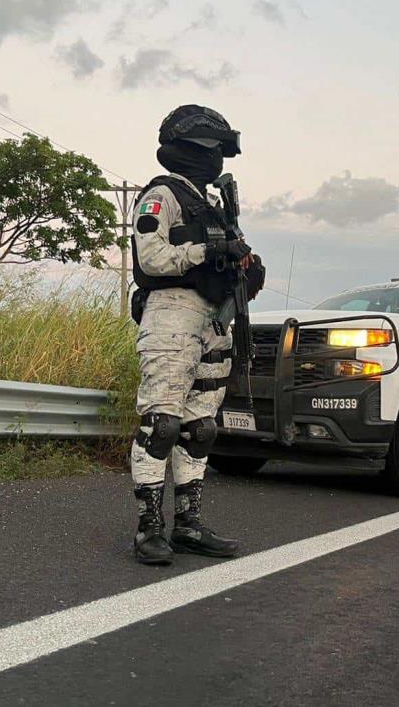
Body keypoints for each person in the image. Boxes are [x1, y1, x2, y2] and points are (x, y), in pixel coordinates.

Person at [128, 104, 263, 565]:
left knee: (200, 427)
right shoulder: (160, 195)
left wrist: (245, 265)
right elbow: (151, 258)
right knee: (161, 422)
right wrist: (209, 251)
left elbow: (231, 260)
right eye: (212, 150)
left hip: (215, 318)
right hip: (172, 312)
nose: (217, 161)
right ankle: (148, 528)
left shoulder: (215, 206)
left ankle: (188, 524)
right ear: (189, 150)